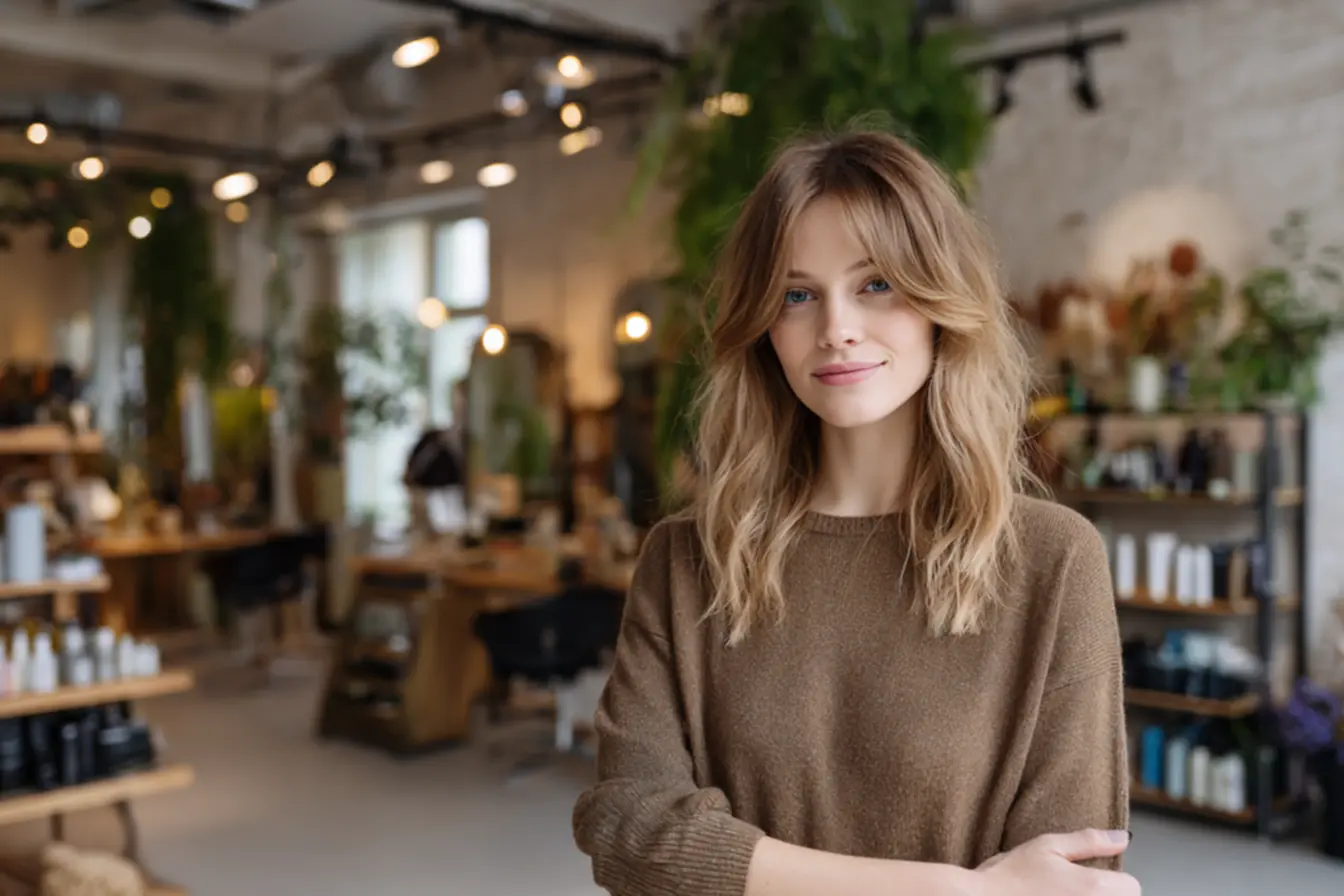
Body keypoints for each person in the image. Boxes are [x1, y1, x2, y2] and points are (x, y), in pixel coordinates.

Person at [572, 129, 1135, 896]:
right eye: (797, 295)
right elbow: (629, 830)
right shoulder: (685, 561)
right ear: (764, 328)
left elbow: (1066, 880)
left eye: (876, 284)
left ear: (942, 300)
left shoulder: (1053, 561)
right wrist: (962, 891)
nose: (835, 327)